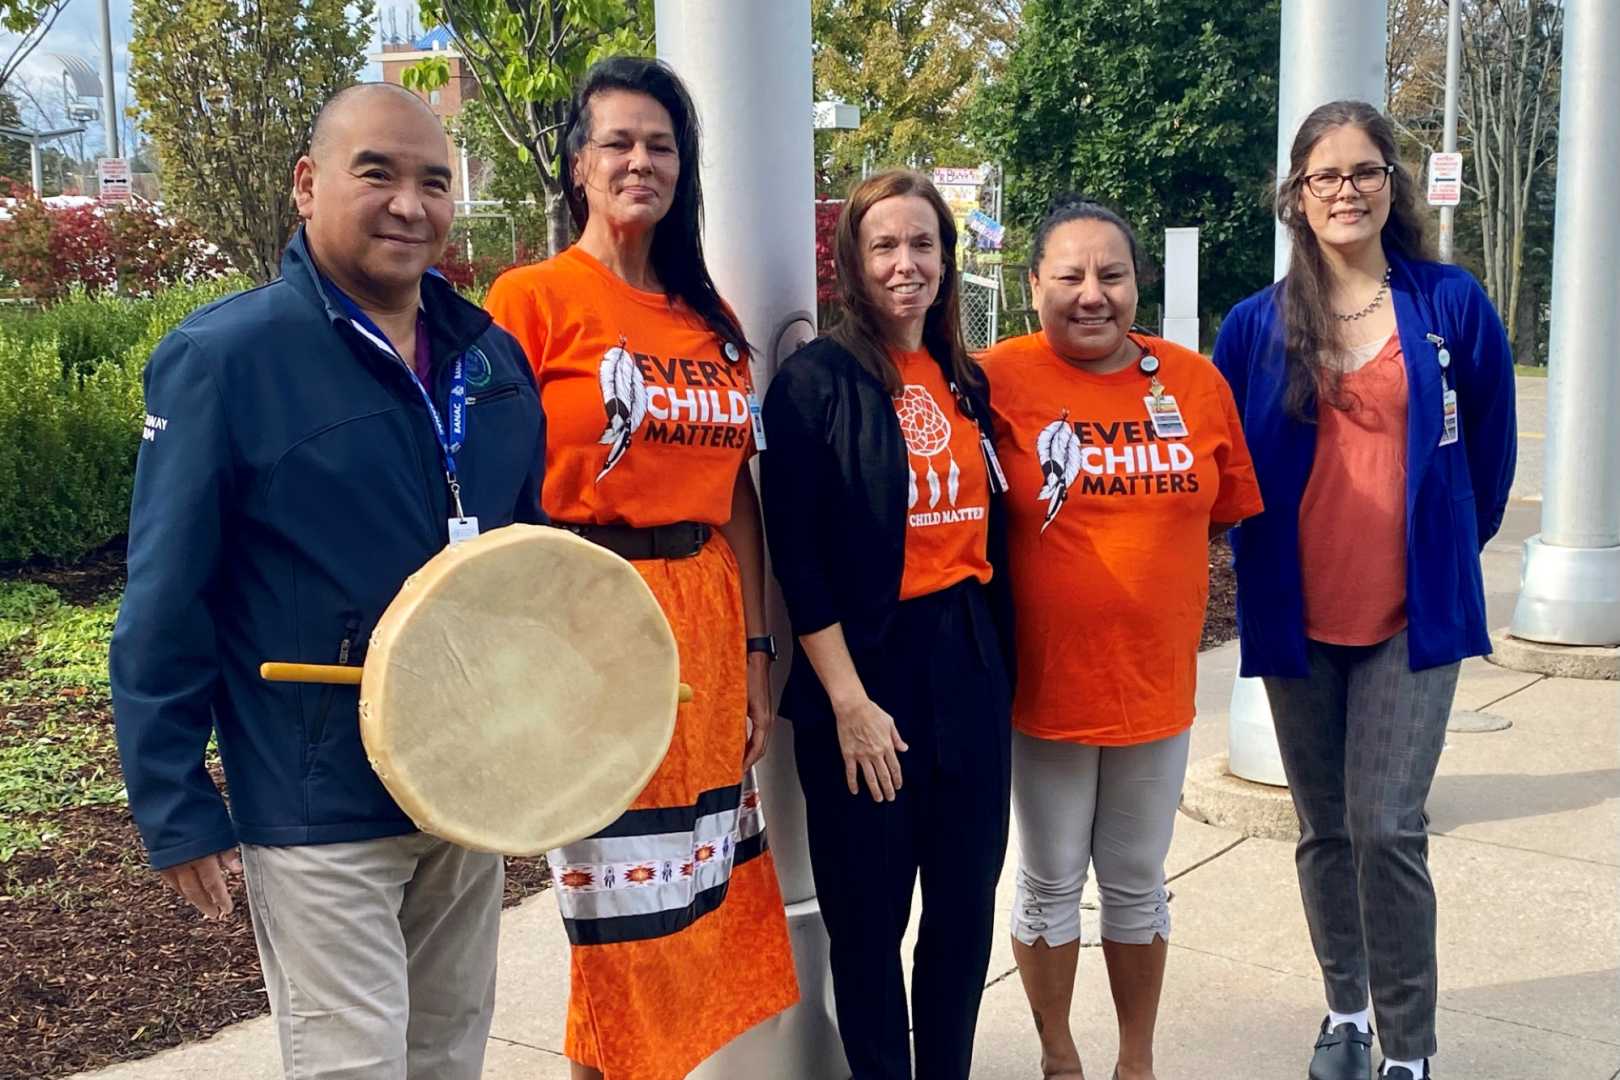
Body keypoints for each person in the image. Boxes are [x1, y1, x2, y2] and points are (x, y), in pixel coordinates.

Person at [109, 83, 546, 1078]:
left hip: (462, 791)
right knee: (352, 1067)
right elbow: (165, 599)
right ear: (308, 185)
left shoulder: (492, 364)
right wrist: (176, 805)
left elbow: (528, 576)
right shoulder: (227, 360)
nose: (410, 203)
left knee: (447, 1059)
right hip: (317, 801)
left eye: (434, 181)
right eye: (377, 173)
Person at [483, 57, 797, 1080]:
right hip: (593, 620)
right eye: (617, 141)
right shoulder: (529, 301)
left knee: (693, 896)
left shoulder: (708, 325)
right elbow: (493, 482)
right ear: (578, 165)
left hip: (705, 615)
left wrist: (756, 651)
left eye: (661, 144)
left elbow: (737, 496)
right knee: (616, 910)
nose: (640, 161)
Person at [1213, 101, 1516, 1080]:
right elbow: (1230, 476)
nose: (1345, 190)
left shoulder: (1450, 303)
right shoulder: (1255, 326)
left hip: (1411, 618)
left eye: (1364, 171)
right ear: (1296, 196)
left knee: (1387, 828)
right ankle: (1344, 1011)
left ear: (1392, 185)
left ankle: (1409, 1048)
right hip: (1299, 618)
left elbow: (1492, 457)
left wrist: (1445, 552)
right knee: (1325, 829)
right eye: (1324, 176)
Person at [981, 197, 1264, 1080]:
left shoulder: (1194, 382)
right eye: (1069, 275)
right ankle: (1059, 1055)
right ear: (1033, 287)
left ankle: (1135, 1061)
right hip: (1043, 690)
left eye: (1112, 273)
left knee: (1139, 880)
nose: (1091, 294)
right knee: (1051, 878)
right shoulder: (992, 380)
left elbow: (1219, 514)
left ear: (1138, 282)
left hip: (1154, 686)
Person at [760, 169, 1016, 1080]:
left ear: (946, 260)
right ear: (852, 265)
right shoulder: (813, 384)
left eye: (922, 246)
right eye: (885, 247)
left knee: (962, 911)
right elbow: (799, 559)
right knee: (868, 923)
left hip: (968, 662)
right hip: (864, 674)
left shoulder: (965, 379)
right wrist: (849, 704)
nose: (906, 265)